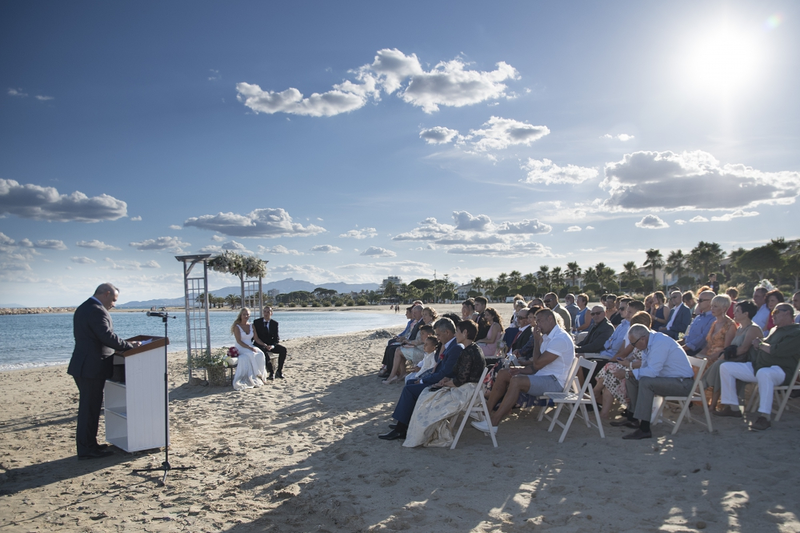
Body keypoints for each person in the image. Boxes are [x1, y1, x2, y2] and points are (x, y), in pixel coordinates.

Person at [472, 309, 575, 435]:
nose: (538, 325)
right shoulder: (549, 336)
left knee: (516, 381)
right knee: (505, 373)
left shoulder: (560, 339)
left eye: (540, 321)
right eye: (537, 322)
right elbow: (537, 366)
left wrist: (537, 341)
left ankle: (493, 423)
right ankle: (485, 413)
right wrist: (520, 370)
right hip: (542, 375)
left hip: (554, 382)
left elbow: (537, 363)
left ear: (550, 319)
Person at [68, 283, 140, 460]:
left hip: (84, 366)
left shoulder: (84, 307)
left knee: (90, 408)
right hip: (91, 367)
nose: (114, 305)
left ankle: (90, 445)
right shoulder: (96, 310)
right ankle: (86, 449)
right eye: (114, 300)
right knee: (89, 409)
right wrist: (129, 346)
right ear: (106, 294)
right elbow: (106, 336)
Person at [716, 303, 800, 430]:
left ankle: (764, 416)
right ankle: (733, 408)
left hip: (781, 370)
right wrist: (759, 344)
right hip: (760, 366)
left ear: (787, 313)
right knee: (726, 367)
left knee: (764, 373)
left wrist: (760, 344)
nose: (772, 316)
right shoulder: (775, 329)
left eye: (776, 312)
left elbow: (778, 350)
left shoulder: (796, 332)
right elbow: (764, 345)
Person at [403, 320, 485, 447]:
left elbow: (460, 380)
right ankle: (415, 431)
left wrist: (446, 383)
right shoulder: (471, 349)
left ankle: (422, 434)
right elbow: (459, 373)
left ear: (465, 333)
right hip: (465, 387)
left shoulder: (469, 352)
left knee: (429, 399)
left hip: (467, 391)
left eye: (457, 332)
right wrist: (446, 380)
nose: (455, 334)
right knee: (427, 395)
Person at [379, 318, 463, 440]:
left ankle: (400, 429)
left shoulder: (455, 348)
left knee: (410, 389)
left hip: (443, 384)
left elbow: (445, 372)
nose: (437, 338)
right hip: (439, 380)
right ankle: (403, 423)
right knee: (411, 383)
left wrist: (424, 380)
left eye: (439, 334)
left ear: (448, 333)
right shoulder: (450, 345)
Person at [610, 325, 695, 439]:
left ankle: (644, 429)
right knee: (632, 377)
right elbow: (645, 367)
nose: (633, 347)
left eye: (634, 343)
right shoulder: (650, 342)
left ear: (643, 339)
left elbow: (652, 372)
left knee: (645, 382)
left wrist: (626, 372)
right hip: (671, 379)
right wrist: (628, 372)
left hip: (682, 383)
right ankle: (633, 418)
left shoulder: (659, 343)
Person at [703, 300, 762, 412]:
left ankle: (704, 384)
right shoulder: (740, 328)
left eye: (737, 311)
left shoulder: (753, 329)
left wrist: (725, 355)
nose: (734, 313)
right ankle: (709, 394)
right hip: (738, 360)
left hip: (749, 363)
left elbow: (744, 349)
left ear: (746, 314)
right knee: (719, 365)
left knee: (720, 364)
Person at [593, 311, 652, 419]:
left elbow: (646, 363)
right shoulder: (639, 338)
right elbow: (632, 355)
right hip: (632, 366)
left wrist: (628, 363)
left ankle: (596, 394)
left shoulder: (648, 340)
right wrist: (625, 360)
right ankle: (601, 404)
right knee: (611, 370)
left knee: (611, 372)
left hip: (639, 372)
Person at [231, 308, 269, 390]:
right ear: (240, 315)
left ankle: (261, 377)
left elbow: (256, 339)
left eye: (247, 314)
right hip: (241, 347)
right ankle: (255, 376)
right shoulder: (237, 326)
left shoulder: (251, 325)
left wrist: (264, 345)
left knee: (260, 354)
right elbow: (239, 341)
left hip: (250, 345)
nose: (246, 316)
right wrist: (249, 347)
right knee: (251, 354)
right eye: (244, 314)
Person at [253, 306, 288, 379]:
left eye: (268, 312)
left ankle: (279, 371)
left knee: (283, 350)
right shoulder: (257, 322)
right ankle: (271, 372)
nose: (266, 314)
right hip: (260, 344)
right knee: (263, 352)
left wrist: (272, 346)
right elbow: (255, 337)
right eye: (265, 312)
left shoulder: (274, 323)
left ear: (271, 313)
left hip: (270, 344)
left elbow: (276, 338)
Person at [679, 290, 717, 356]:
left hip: (695, 351)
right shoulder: (698, 317)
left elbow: (702, 339)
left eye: (701, 300)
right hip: (686, 348)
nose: (698, 302)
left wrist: (681, 349)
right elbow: (686, 338)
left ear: (710, 302)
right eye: (698, 300)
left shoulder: (713, 319)